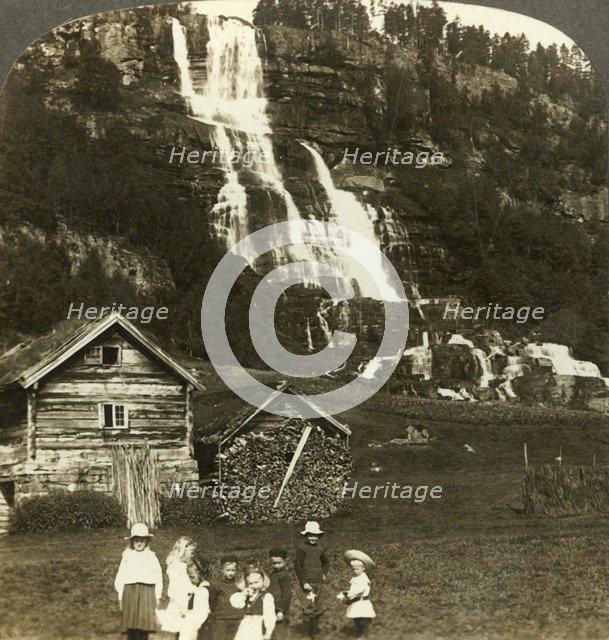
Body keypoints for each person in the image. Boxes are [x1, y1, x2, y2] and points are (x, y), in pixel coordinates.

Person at [114, 523, 163, 640]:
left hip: (147, 593)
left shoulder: (151, 557)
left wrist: (158, 596)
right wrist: (121, 597)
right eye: (136, 540)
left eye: (142, 540)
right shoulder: (127, 556)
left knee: (143, 626)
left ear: (147, 541)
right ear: (132, 541)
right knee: (131, 627)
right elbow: (121, 577)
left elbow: (158, 576)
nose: (139, 543)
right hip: (130, 593)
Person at [294, 521, 329, 638]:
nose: (312, 537)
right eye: (310, 535)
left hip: (319, 581)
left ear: (318, 536)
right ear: (306, 535)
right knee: (308, 606)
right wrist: (303, 582)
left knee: (318, 606)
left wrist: (323, 573)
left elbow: (325, 562)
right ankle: (306, 632)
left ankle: (314, 632)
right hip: (307, 583)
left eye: (315, 535)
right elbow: (298, 566)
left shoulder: (320, 549)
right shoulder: (302, 548)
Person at [157, 536, 197, 638]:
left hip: (190, 601)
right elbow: (174, 589)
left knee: (188, 630)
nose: (193, 556)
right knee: (181, 628)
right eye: (191, 553)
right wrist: (181, 605)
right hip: (180, 604)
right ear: (182, 552)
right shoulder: (176, 567)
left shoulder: (189, 566)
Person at [336, 550, 376, 636]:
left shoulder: (363, 578)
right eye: (353, 569)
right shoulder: (356, 576)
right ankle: (359, 632)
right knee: (356, 618)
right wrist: (346, 593)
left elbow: (359, 589)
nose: (355, 571)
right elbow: (353, 588)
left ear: (363, 568)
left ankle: (364, 633)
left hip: (362, 601)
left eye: (357, 569)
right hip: (357, 601)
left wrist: (348, 594)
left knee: (363, 619)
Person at [230, 568, 276, 640]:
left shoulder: (266, 596)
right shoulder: (247, 595)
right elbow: (236, 603)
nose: (254, 586)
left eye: (256, 582)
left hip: (258, 625)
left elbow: (269, 615)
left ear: (263, 581)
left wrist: (268, 631)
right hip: (246, 624)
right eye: (250, 583)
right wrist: (244, 594)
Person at [208, 555, 243, 640]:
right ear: (222, 570)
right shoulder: (217, 584)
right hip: (221, 619)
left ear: (236, 570)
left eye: (233, 570)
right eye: (227, 570)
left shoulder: (239, 584)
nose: (230, 573)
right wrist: (214, 614)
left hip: (236, 618)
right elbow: (212, 601)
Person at [268, 548, 292, 639]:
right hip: (271, 610)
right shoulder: (272, 575)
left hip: (280, 611)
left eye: (279, 563)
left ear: (285, 561)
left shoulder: (284, 576)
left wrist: (281, 610)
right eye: (274, 563)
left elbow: (287, 594)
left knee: (279, 634)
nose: (277, 566)